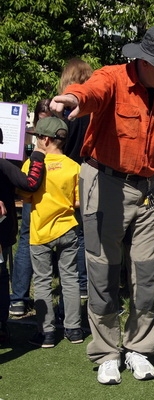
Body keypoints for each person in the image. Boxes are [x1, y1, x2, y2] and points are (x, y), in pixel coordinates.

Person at [49, 24, 154, 384]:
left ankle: (139, 349)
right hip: (103, 184)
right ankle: (106, 353)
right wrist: (72, 99)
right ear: (146, 61)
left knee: (147, 275)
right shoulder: (112, 79)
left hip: (148, 189)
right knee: (101, 275)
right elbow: (90, 93)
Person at [17, 117, 82, 348]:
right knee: (70, 278)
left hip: (40, 230)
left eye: (36, 137)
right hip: (67, 228)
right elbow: (77, 203)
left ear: (45, 139)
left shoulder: (31, 165)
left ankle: (46, 333)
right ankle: (74, 329)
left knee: (43, 281)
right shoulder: (74, 166)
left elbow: (25, 196)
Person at [0, 127, 46, 343]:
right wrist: (37, 155)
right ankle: (1, 325)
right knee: (1, 276)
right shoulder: (4, 165)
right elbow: (31, 183)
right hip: (2, 232)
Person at [9, 99, 52, 317]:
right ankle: (19, 298)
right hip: (38, 194)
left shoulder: (33, 136)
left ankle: (18, 299)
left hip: (39, 193)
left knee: (29, 240)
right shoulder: (46, 138)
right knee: (28, 240)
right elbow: (29, 182)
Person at [59, 57, 94, 299]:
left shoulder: (64, 113)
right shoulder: (93, 112)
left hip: (63, 175)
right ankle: (82, 282)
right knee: (84, 233)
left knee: (68, 232)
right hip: (88, 174)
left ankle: (74, 282)